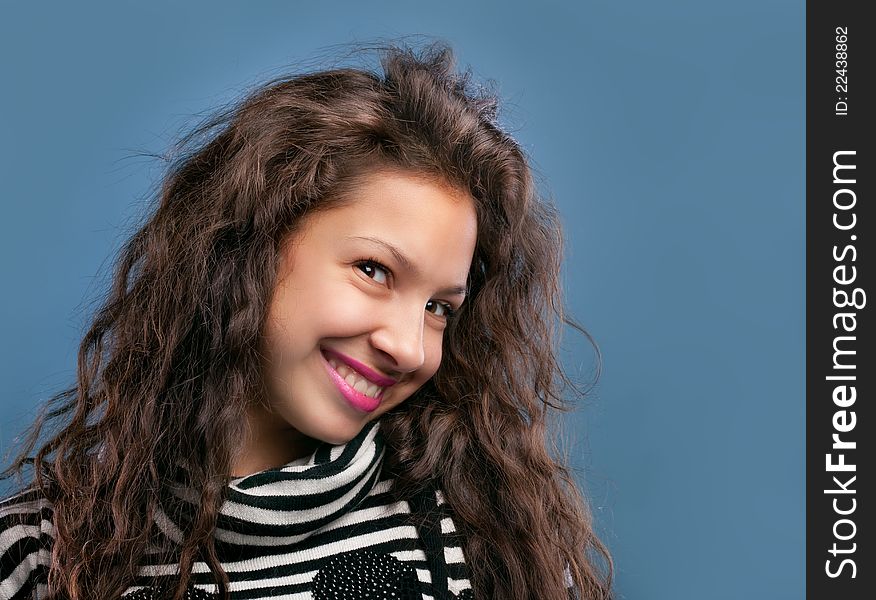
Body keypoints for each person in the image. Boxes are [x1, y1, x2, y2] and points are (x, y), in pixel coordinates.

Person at [0, 43, 613, 600]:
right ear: (249, 249)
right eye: (374, 270)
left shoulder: (489, 545)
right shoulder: (40, 554)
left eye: (438, 309)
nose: (408, 347)